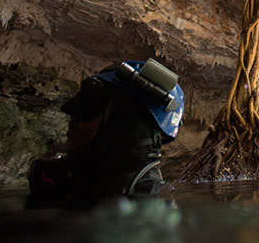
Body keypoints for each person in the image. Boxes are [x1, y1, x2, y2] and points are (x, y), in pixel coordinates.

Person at [28, 59, 184, 202]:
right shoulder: (75, 177)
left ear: (124, 120)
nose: (72, 113)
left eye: (90, 103)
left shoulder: (146, 201)